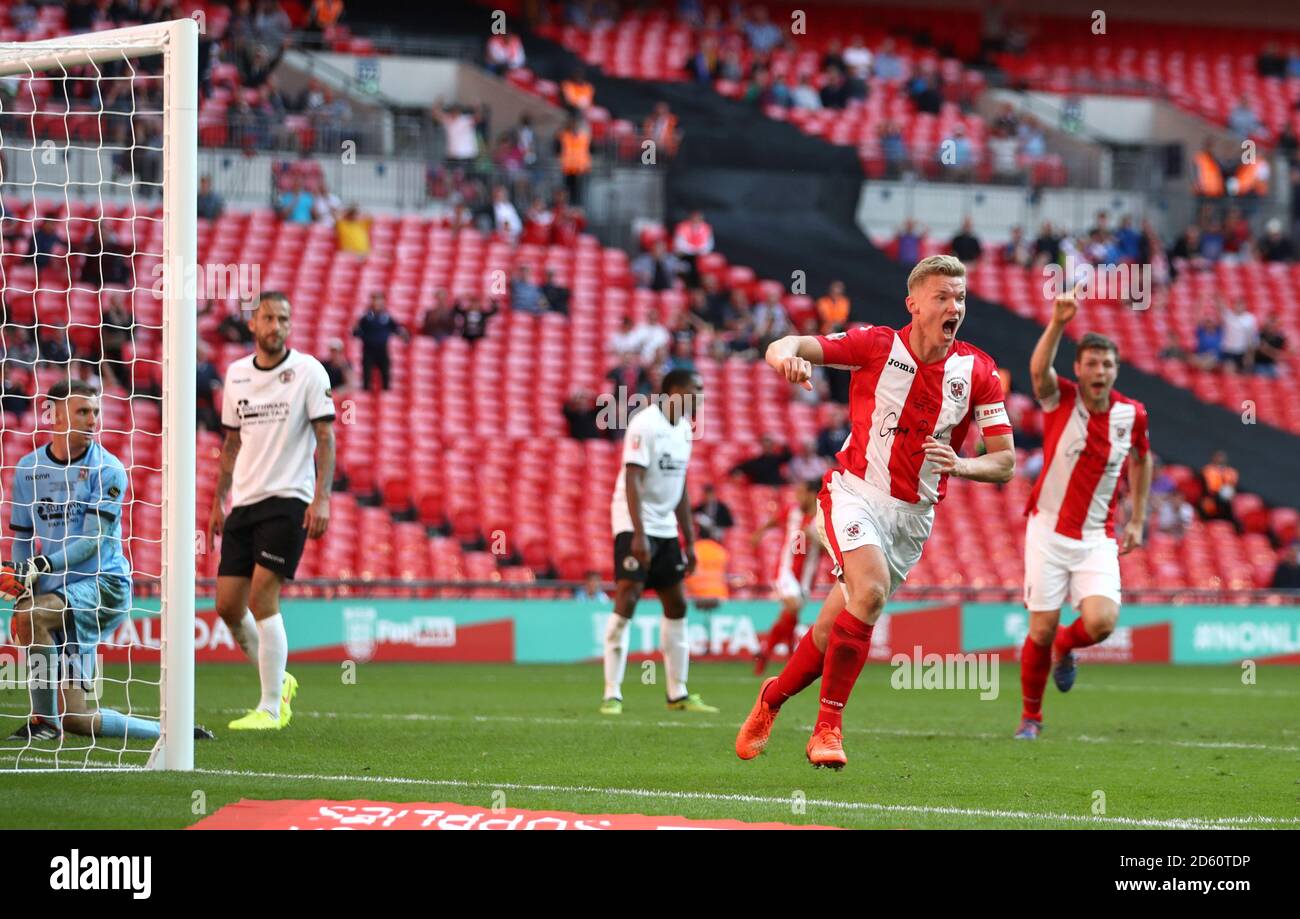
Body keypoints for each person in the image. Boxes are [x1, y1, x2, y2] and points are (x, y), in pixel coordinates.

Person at [735, 254, 1016, 768]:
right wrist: (784, 358)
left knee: (828, 632)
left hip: (912, 519)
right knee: (870, 591)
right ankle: (827, 729)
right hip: (854, 492)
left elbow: (1004, 462)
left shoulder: (978, 372)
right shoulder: (877, 345)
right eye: (942, 297)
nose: (954, 306)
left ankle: (770, 699)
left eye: (961, 298)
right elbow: (790, 343)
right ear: (914, 304)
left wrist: (962, 465)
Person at [4, 381, 214, 742]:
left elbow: (91, 542)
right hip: (58, 591)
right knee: (79, 719)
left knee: (34, 615)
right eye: (83, 411)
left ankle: (42, 723)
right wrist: (24, 582)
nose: (93, 420)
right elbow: (21, 536)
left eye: (96, 412)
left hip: (104, 586)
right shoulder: (28, 470)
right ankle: (174, 732)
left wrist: (41, 566)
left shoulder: (109, 469)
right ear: (54, 415)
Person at [1015, 291, 1153, 740]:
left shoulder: (1132, 414)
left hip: (1097, 535)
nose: (1099, 371)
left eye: (1107, 364)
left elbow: (1142, 459)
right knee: (1040, 629)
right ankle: (1031, 719)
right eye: (1091, 363)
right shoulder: (1061, 400)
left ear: (1116, 370)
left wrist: (1136, 519)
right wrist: (1056, 323)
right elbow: (1038, 372)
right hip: (1048, 529)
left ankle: (1066, 647)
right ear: (1078, 368)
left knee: (1101, 622)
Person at [209, 291, 336, 731]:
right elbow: (231, 444)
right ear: (253, 324)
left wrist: (321, 498)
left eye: (284, 318)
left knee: (263, 595)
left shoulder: (308, 372)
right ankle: (279, 679)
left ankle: (269, 707)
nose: (276, 325)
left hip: (289, 499)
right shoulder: (238, 374)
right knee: (227, 605)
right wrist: (217, 500)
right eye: (269, 317)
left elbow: (326, 439)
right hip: (244, 500)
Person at [601, 369, 717, 715]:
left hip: (666, 526)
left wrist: (690, 540)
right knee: (629, 596)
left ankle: (677, 693)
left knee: (677, 603)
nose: (702, 396)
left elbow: (679, 487)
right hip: (632, 520)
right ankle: (612, 692)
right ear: (676, 391)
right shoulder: (644, 424)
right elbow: (632, 480)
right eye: (697, 389)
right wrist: (638, 533)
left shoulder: (683, 429)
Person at [750, 479, 822, 675]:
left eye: (801, 491)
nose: (797, 496)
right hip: (785, 571)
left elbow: (830, 548)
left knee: (791, 615)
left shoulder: (823, 519)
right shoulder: (792, 511)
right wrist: (759, 533)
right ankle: (792, 657)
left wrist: (815, 537)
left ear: (812, 494)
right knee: (793, 607)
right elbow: (775, 520)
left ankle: (765, 651)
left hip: (807, 578)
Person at [352, 292, 409, 391]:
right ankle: (366, 391)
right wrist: (357, 329)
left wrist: (403, 335)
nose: (377, 303)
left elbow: (396, 328)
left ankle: (386, 392)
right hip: (368, 349)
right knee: (367, 372)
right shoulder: (366, 317)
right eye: (375, 301)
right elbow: (356, 333)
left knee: (385, 371)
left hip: (382, 349)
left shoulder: (386, 318)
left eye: (380, 301)